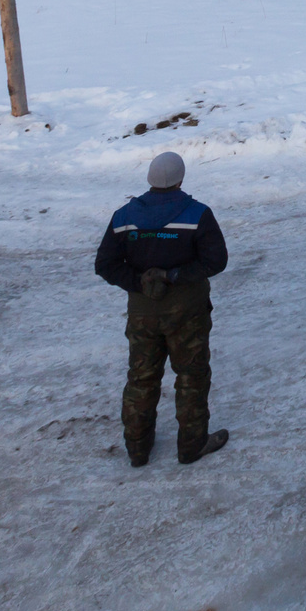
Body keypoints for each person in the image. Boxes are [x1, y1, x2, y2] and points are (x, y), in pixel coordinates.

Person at [94, 151, 230, 467]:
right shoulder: (197, 214)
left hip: (142, 314)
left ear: (149, 179)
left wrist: (141, 281)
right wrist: (175, 276)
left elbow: (105, 264)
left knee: (141, 377)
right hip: (188, 312)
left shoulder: (123, 216)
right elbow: (216, 261)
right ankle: (192, 445)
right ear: (181, 179)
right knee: (191, 375)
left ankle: (137, 448)